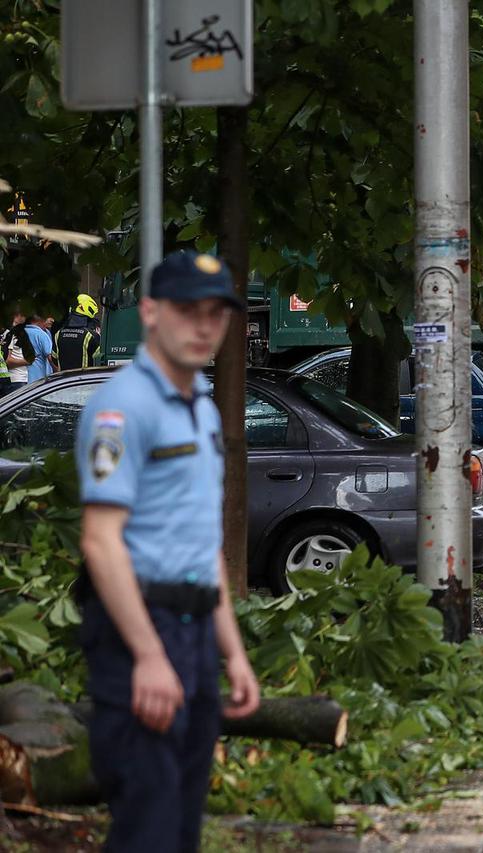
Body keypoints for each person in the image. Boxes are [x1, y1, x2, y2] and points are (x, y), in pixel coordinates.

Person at [76, 251, 259, 852]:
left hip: (196, 631)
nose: (203, 326)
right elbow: (101, 542)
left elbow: (202, 545)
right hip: (139, 631)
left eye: (216, 313)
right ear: (151, 312)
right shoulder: (122, 407)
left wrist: (232, 653)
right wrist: (148, 655)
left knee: (181, 825)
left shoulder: (202, 407)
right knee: (146, 824)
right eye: (187, 311)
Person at [54, 294, 102, 370]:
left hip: (64, 380)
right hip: (84, 379)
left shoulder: (58, 334)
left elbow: (54, 359)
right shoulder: (91, 335)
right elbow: (100, 360)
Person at [3, 313, 34, 392]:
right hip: (15, 379)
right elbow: (8, 361)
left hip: (21, 378)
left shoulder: (21, 334)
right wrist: (26, 361)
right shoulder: (10, 334)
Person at [24, 313, 55, 382]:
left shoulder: (20, 332)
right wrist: (58, 372)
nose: (52, 320)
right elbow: (50, 357)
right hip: (39, 382)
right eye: (47, 317)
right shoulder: (41, 334)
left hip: (23, 380)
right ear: (37, 320)